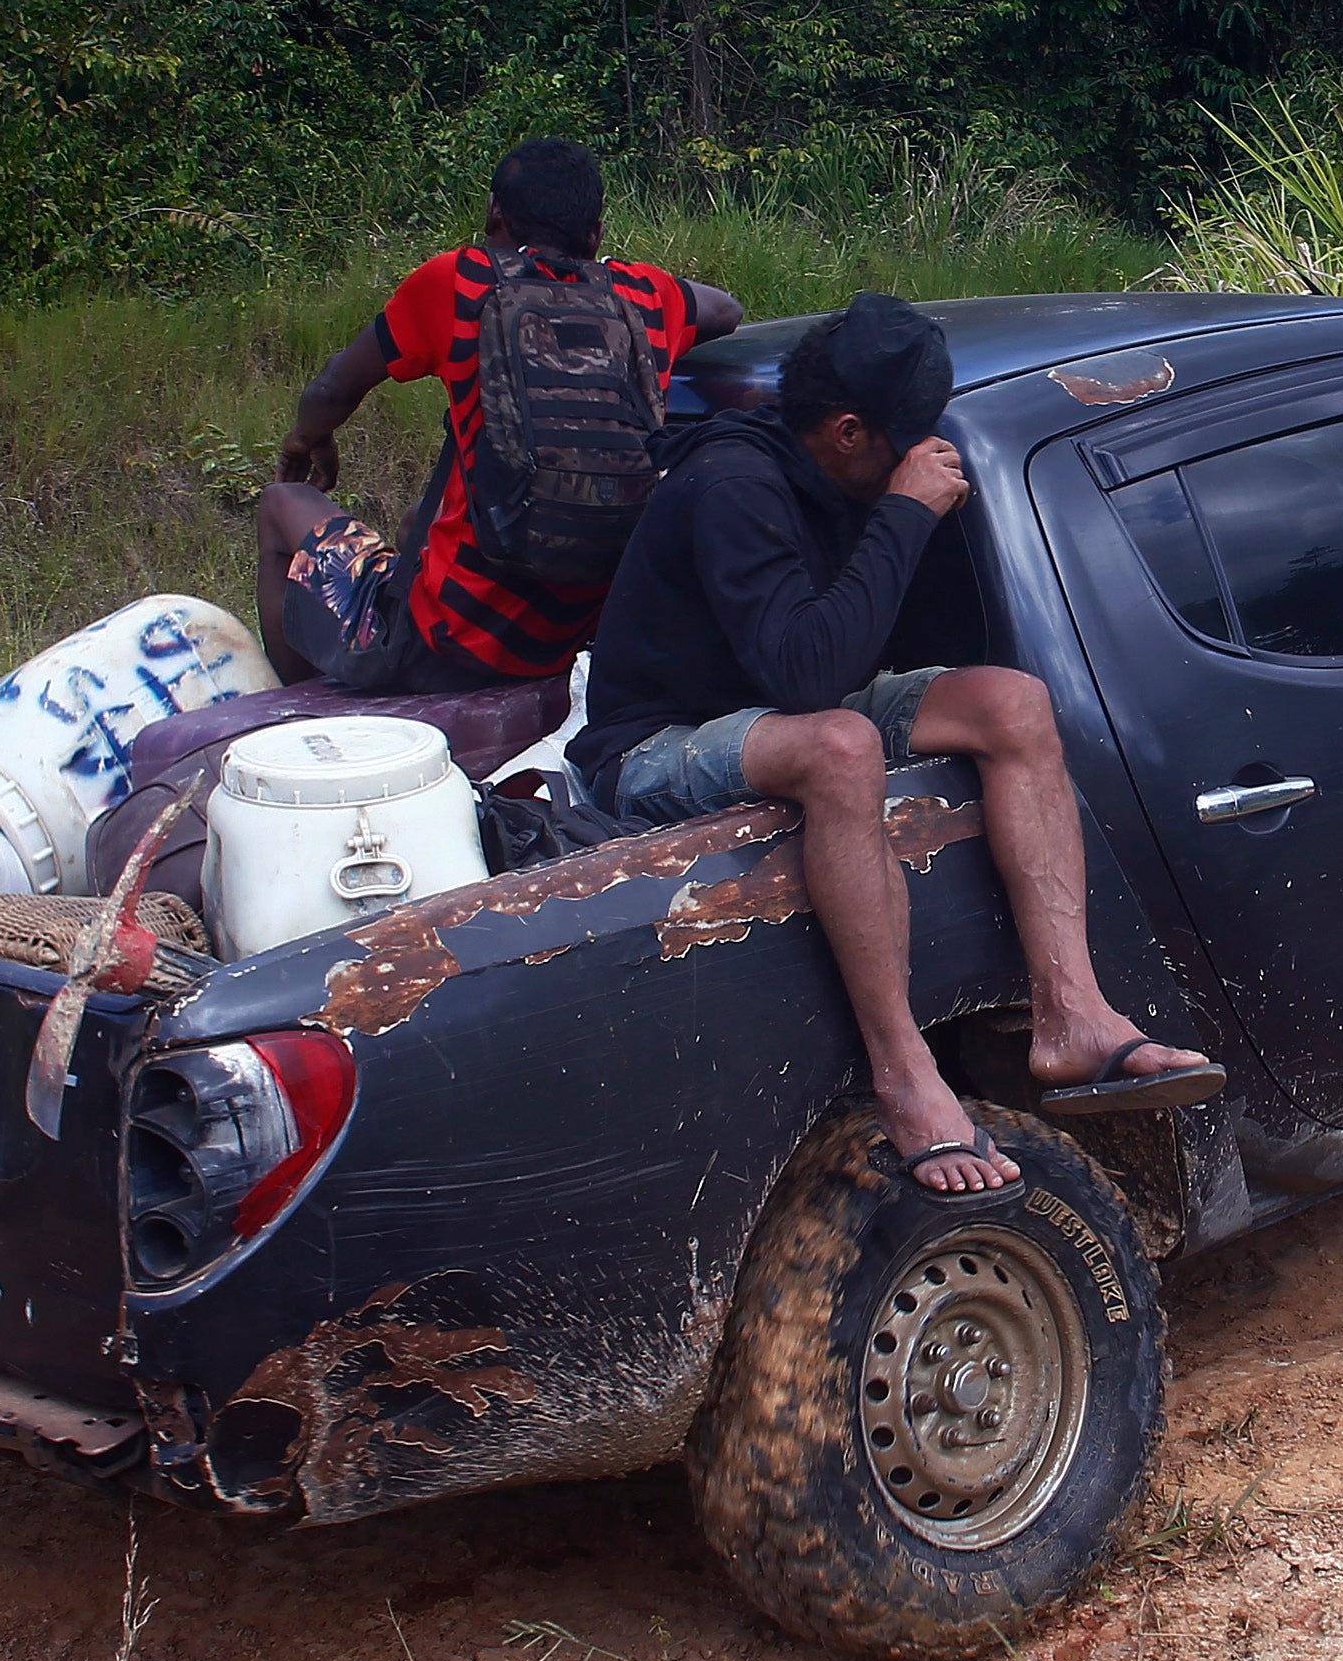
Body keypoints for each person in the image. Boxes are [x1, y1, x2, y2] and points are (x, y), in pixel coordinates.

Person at [575, 291, 1223, 1193]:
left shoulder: (839, 473)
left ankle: (1071, 1014)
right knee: (840, 745)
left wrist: (911, 511)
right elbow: (807, 676)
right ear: (847, 431)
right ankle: (904, 1071)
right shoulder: (734, 486)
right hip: (654, 744)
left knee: (1013, 703)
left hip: (782, 701)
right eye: (908, 434)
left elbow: (849, 651)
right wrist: (907, 513)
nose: (924, 452)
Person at [256, 138, 742, 692]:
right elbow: (726, 308)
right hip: (580, 633)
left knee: (281, 506)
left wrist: (305, 441)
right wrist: (605, 271)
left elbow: (332, 387)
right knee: (422, 515)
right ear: (596, 230)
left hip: (451, 643)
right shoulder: (643, 295)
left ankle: (297, 704)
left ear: (493, 213)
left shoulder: (460, 282)